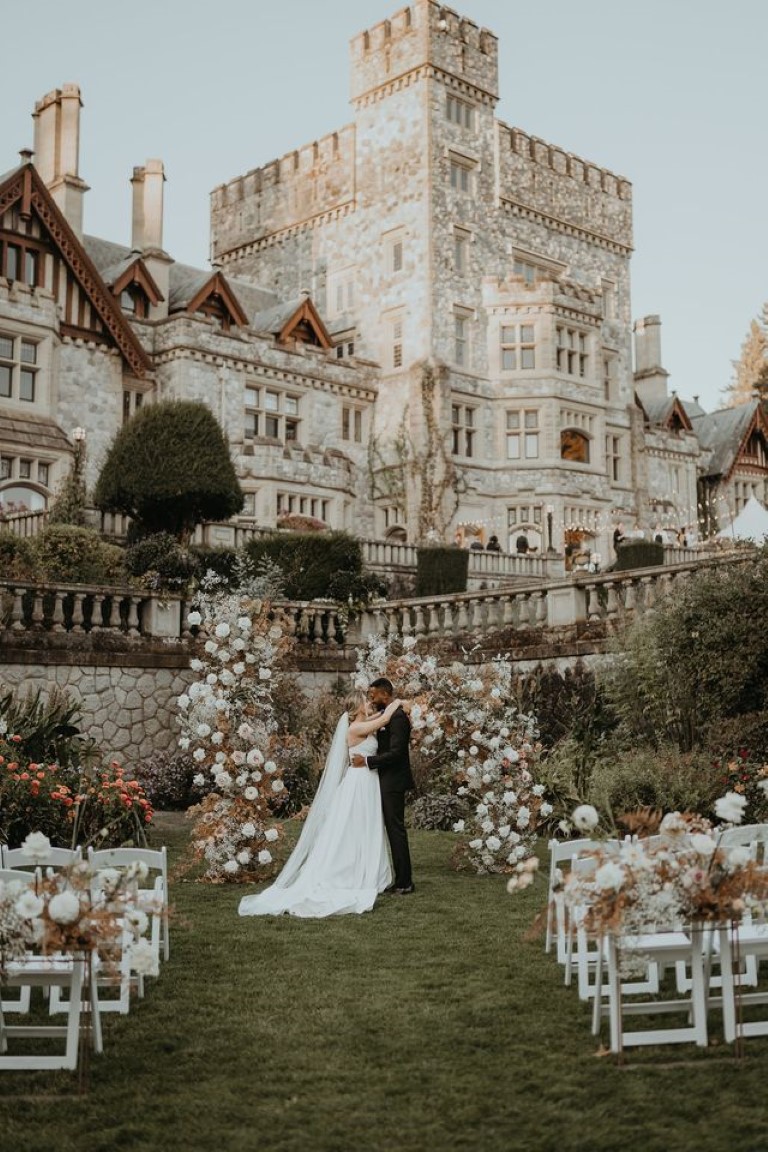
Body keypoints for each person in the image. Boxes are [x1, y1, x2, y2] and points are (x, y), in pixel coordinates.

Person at [238, 693, 403, 918]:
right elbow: (383, 720)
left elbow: (380, 717)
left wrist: (389, 709)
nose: (369, 703)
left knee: (366, 826)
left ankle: (366, 871)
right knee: (353, 827)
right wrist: (399, 703)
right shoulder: (355, 729)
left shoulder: (364, 724)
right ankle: (348, 872)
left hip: (367, 781)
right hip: (359, 783)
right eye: (365, 701)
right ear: (357, 707)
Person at [351, 677, 415, 895]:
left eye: (373, 694)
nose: (371, 697)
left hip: (393, 781)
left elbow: (397, 752)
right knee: (388, 829)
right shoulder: (388, 714)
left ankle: (404, 882)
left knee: (395, 830)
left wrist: (368, 762)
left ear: (385, 694)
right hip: (383, 779)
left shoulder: (397, 717)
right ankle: (392, 877)